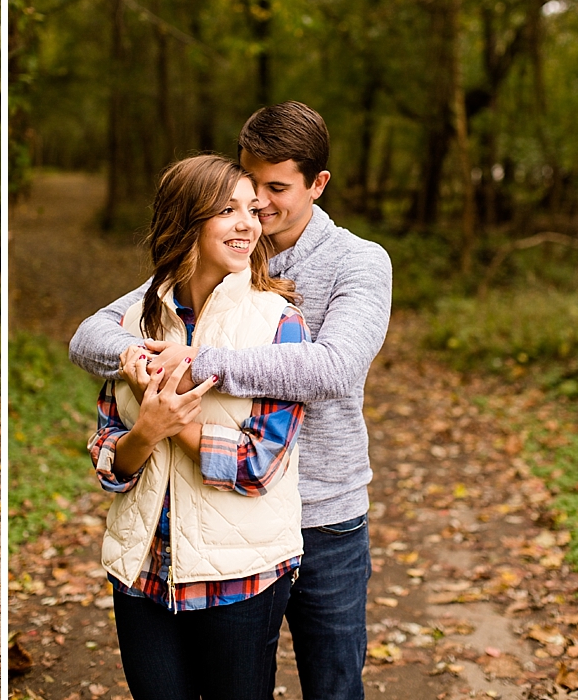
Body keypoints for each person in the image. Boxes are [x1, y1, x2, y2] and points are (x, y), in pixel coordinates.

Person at [70, 101, 393, 700]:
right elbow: (91, 335)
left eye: (276, 188)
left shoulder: (358, 262)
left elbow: (334, 368)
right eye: (247, 187)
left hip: (324, 513)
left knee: (334, 684)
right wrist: (141, 361)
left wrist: (195, 362)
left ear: (317, 184)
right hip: (219, 520)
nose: (259, 206)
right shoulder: (215, 254)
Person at [89, 154, 309, 700]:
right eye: (227, 211)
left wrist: (172, 425)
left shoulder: (278, 322)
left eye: (252, 211)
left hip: (240, 577)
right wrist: (145, 431)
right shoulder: (132, 324)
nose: (248, 224)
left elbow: (258, 465)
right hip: (142, 573)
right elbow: (109, 461)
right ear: (185, 220)